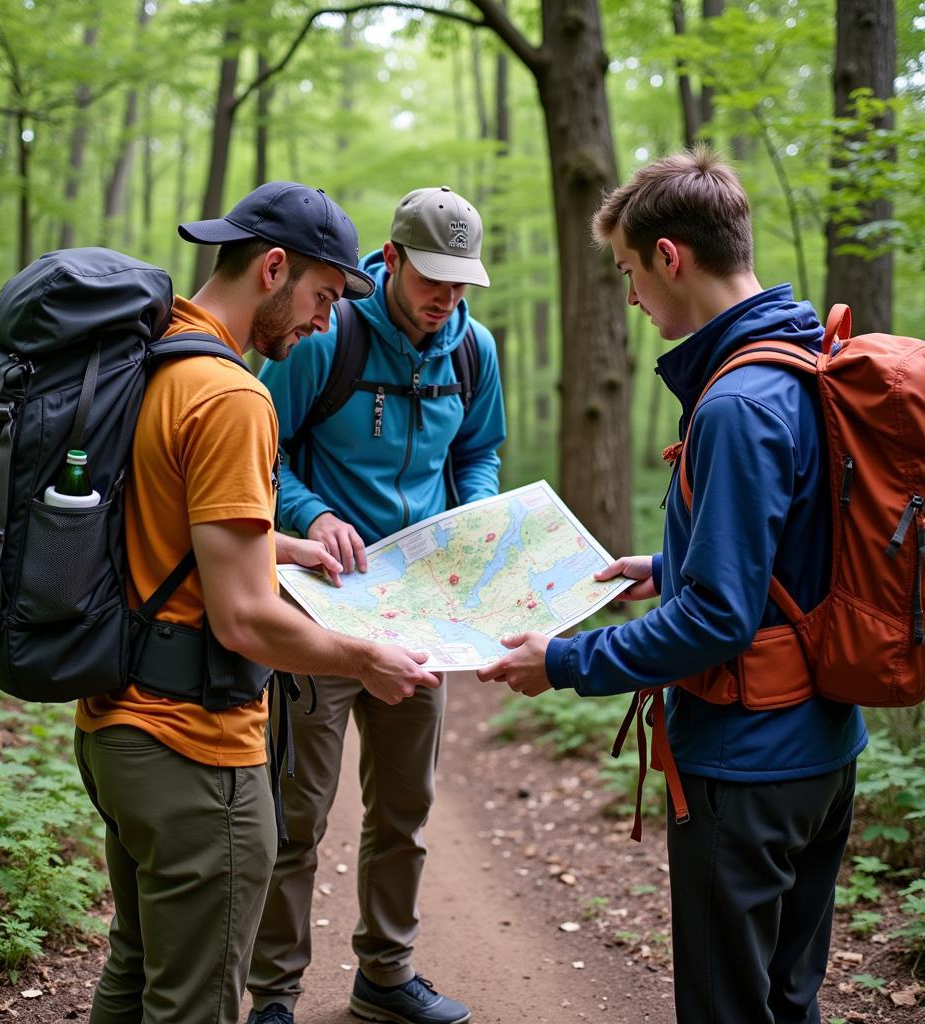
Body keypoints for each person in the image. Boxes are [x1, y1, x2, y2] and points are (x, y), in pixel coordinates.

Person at [477, 149, 867, 1024]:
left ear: (669, 257)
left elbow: (720, 619)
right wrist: (663, 568)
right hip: (826, 749)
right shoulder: (808, 360)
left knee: (730, 1008)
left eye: (627, 271)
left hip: (746, 762)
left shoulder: (736, 403)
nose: (629, 296)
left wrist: (565, 660)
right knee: (788, 999)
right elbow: (795, 551)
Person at [74, 181, 440, 1024]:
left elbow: (166, 523)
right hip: (195, 749)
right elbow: (243, 618)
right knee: (195, 1002)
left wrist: (286, 543)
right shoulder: (235, 398)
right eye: (320, 295)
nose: (323, 321)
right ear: (273, 268)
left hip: (117, 727)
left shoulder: (158, 353)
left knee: (134, 977)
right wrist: (365, 656)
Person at [247, 186, 506, 1024]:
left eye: (461, 285)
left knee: (405, 810)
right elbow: (259, 450)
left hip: (424, 617)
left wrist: (473, 516)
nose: (446, 299)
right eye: (433, 278)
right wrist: (312, 514)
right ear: (389, 260)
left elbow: (479, 452)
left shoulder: (475, 353)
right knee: (297, 814)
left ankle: (385, 978)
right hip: (321, 612)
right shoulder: (327, 334)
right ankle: (275, 996)